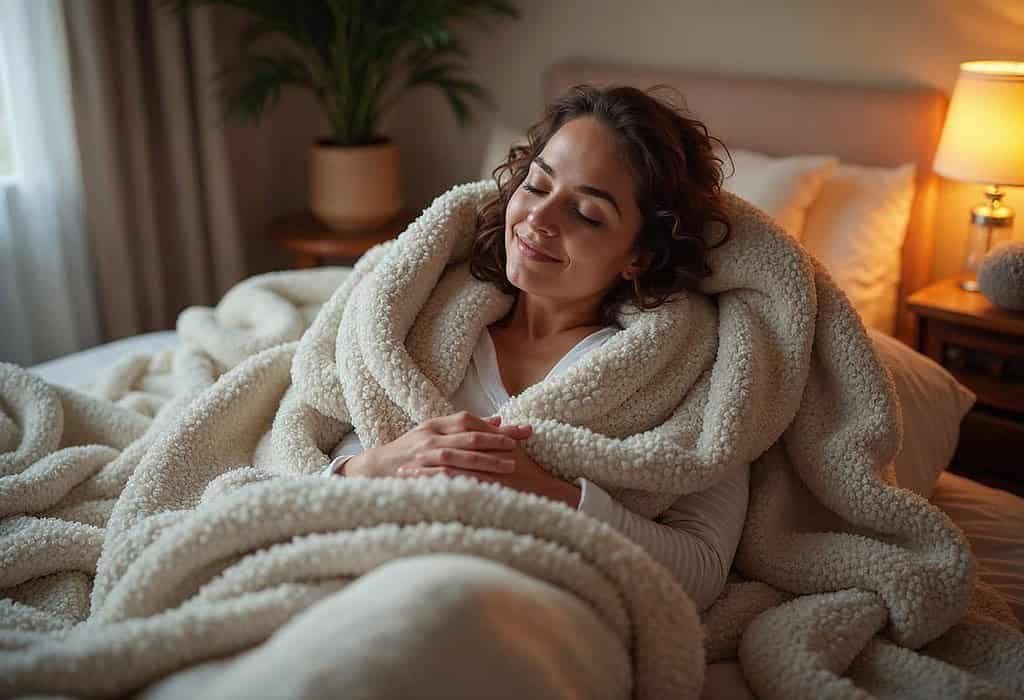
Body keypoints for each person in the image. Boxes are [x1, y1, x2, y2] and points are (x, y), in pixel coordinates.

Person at [321, 83, 749, 615]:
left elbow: (702, 569)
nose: (539, 220)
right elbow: (312, 454)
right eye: (537, 185)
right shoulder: (422, 321)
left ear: (639, 255)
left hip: (520, 615)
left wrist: (543, 492)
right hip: (352, 583)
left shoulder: (685, 374)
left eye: (587, 214)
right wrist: (376, 465)